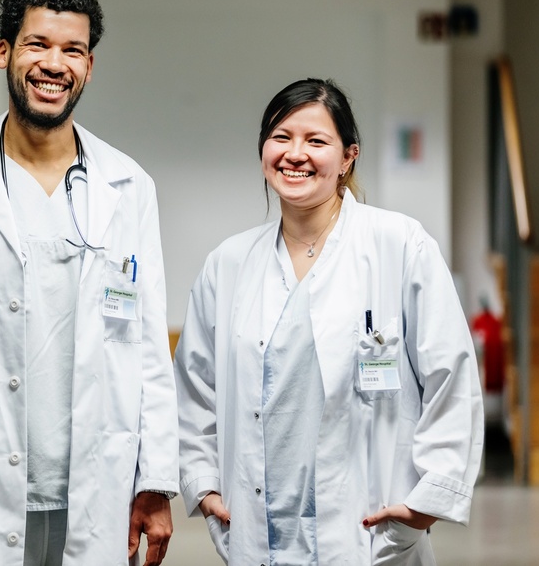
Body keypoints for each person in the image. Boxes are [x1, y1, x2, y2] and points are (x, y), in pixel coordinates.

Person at [0, 0, 179, 566]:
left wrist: (155, 478)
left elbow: (147, 344)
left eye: (72, 50)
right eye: (37, 44)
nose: (54, 64)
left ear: (89, 66)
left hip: (98, 485)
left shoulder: (128, 187)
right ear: (4, 52)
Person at [174, 78, 483, 565]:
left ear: (348, 157)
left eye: (316, 141)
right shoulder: (229, 263)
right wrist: (203, 483)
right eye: (281, 137)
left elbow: (451, 374)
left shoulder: (399, 245)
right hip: (257, 527)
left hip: (368, 531)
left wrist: (428, 501)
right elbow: (194, 389)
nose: (295, 154)